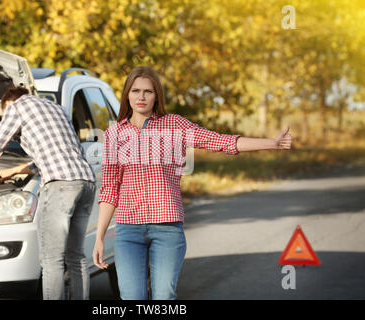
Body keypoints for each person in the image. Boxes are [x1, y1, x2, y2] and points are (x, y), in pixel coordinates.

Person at [92, 66, 292, 300]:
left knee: (164, 297)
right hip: (128, 230)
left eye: (148, 91)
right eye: (135, 91)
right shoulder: (114, 134)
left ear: (157, 95)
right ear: (127, 94)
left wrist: (271, 143)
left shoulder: (175, 125)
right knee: (131, 297)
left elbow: (218, 141)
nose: (141, 97)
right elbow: (110, 189)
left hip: (166, 229)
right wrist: (99, 237)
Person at [0, 86, 96, 300]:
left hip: (60, 185)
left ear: (9, 104)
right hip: (85, 182)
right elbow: (62, 153)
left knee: (51, 260)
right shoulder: (56, 108)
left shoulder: (18, 107)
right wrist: (13, 171)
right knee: (76, 256)